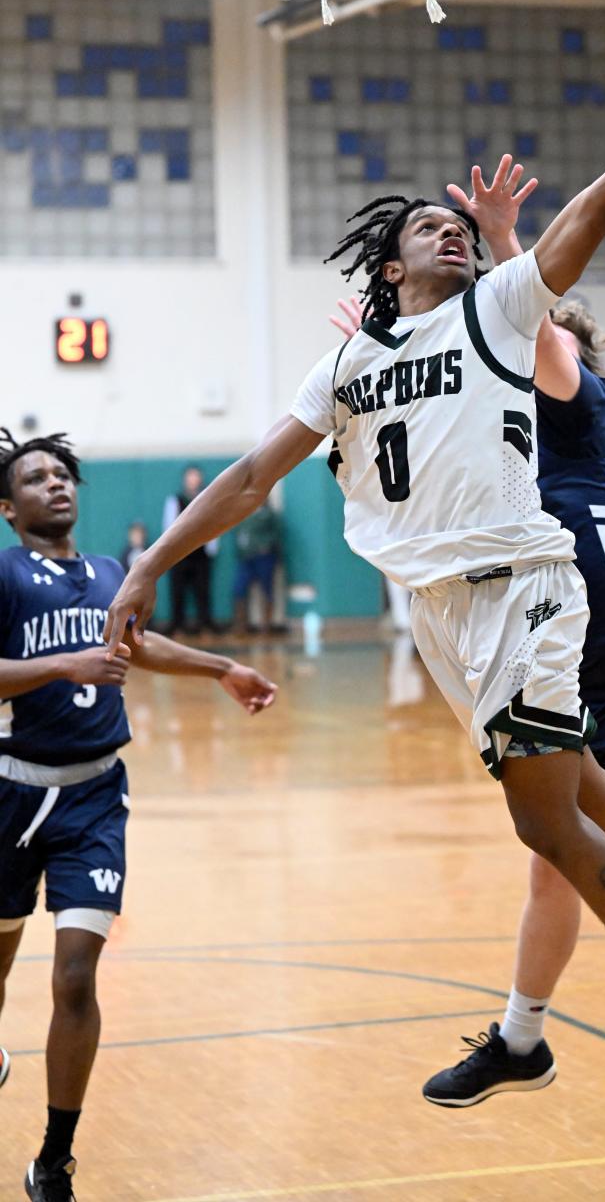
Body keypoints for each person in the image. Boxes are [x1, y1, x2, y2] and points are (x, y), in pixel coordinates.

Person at [103, 21, 605, 1137]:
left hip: (522, 580)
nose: (455, 234)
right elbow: (245, 478)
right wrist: (151, 559)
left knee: (545, 825)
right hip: (437, 617)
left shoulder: (501, 309)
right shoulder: (345, 367)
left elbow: (598, 207)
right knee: (573, 795)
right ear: (390, 266)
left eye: (462, 227)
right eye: (432, 226)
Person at [0, 429, 277, 1202]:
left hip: (93, 796)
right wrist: (64, 663)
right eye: (35, 478)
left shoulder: (112, 573)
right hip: (10, 792)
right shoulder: (3, 573)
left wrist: (222, 666)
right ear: (7, 506)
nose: (55, 485)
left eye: (62, 475)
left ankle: (54, 1158)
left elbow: (137, 643)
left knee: (78, 977)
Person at [162, 466, 220, 633]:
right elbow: (169, 525)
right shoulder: (176, 500)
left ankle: (205, 622)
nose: (193, 480)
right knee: (178, 590)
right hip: (180, 553)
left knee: (203, 590)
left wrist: (211, 547)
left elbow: (213, 523)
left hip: (200, 553)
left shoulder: (207, 498)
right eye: (190, 476)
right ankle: (177, 623)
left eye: (196, 476)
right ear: (185, 479)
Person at [232, 500, 283, 632]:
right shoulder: (243, 513)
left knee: (266, 589)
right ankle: (241, 625)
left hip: (264, 557)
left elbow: (277, 534)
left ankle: (266, 625)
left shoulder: (269, 514)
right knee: (239, 588)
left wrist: (266, 547)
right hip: (246, 557)